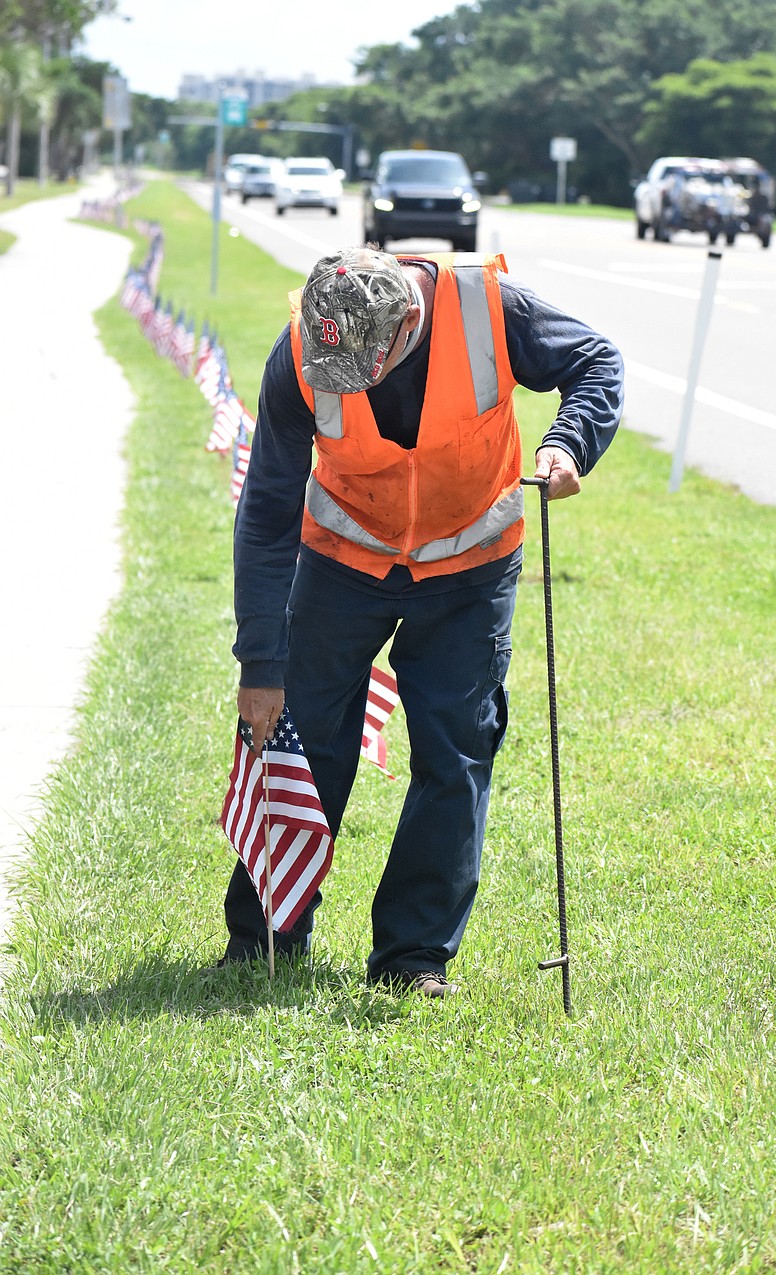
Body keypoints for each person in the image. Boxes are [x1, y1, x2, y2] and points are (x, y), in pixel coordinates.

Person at [219, 244, 623, 997]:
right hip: (343, 561)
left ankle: (413, 957)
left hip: (470, 567)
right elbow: (268, 510)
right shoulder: (304, 348)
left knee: (455, 750)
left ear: (408, 323)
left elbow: (598, 361)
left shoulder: (492, 310)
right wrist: (259, 665)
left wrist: (568, 444)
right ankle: (265, 935)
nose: (345, 388)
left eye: (362, 375)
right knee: (300, 736)